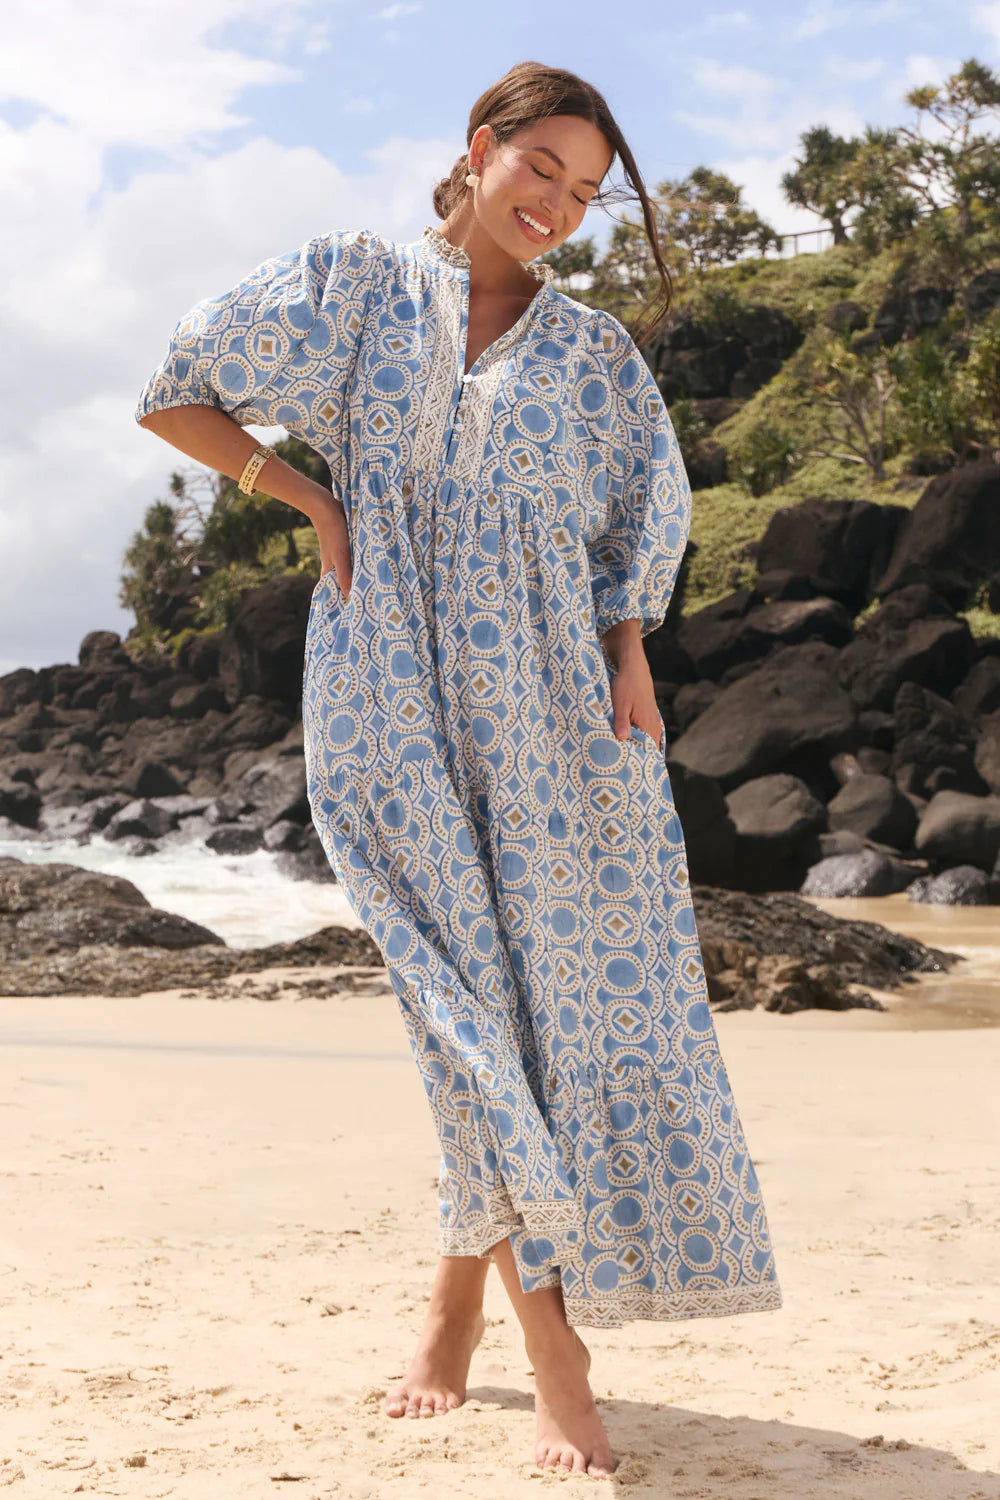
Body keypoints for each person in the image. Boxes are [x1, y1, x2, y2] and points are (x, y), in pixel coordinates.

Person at [135, 59, 782, 1482]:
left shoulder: (596, 354)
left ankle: (451, 1309)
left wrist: (630, 648)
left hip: (554, 716)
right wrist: (310, 497)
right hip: (382, 688)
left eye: (586, 191)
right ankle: (558, 1351)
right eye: (541, 167)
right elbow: (177, 392)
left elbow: (643, 516)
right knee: (459, 1011)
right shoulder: (356, 288)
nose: (558, 204)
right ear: (480, 148)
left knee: (530, 1019)